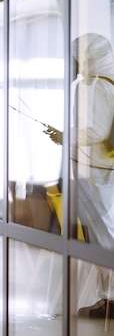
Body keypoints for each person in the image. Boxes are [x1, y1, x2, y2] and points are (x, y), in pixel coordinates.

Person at [45, 33, 114, 317]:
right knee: (101, 236)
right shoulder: (102, 83)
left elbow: (97, 131)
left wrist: (65, 136)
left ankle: (110, 298)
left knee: (102, 239)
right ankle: (107, 298)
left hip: (95, 171)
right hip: (97, 170)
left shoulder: (97, 86)